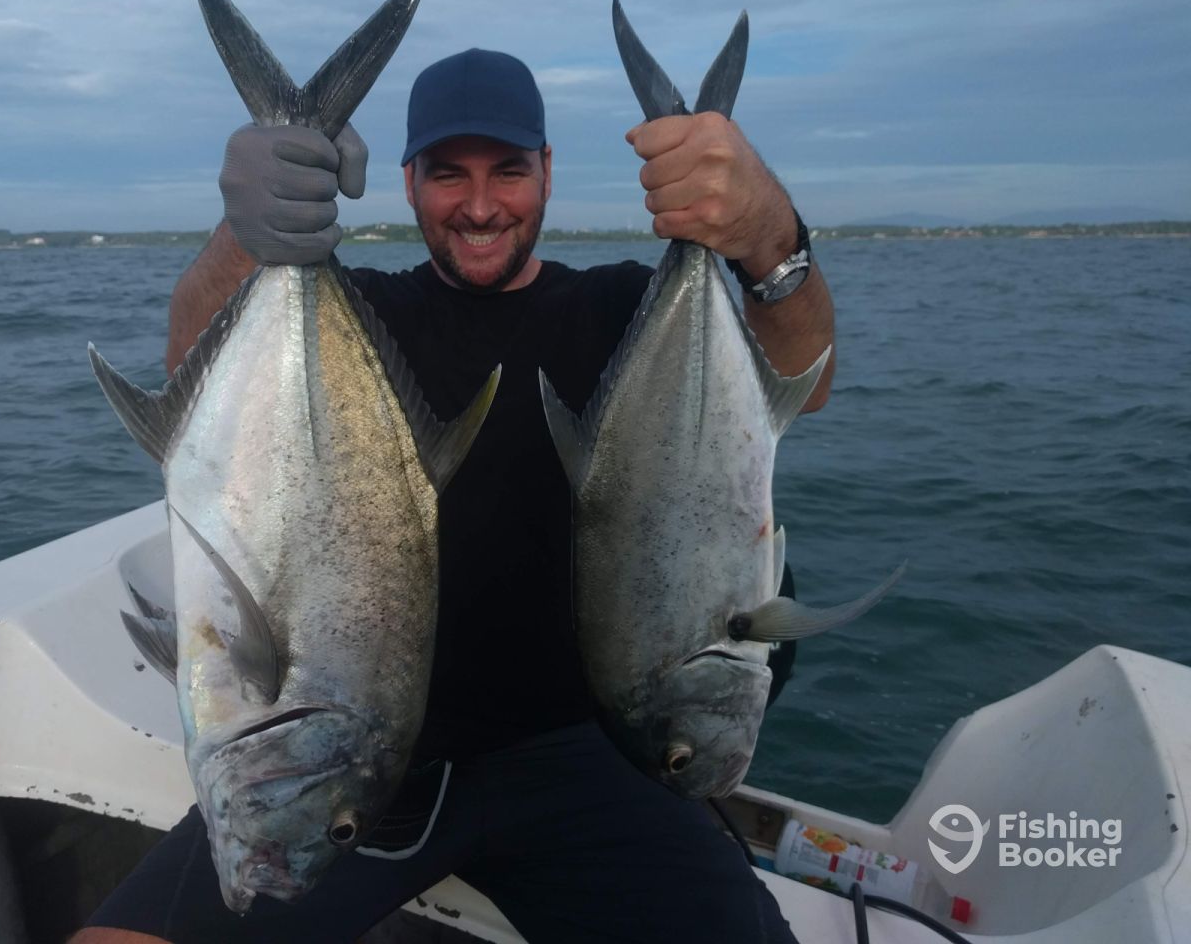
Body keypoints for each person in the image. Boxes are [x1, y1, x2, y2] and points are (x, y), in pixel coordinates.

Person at [75, 48, 834, 944]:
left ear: (546, 171)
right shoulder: (359, 314)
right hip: (358, 761)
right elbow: (191, 372)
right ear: (408, 182)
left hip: (587, 755)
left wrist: (770, 238)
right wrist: (244, 232)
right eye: (448, 174)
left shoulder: (627, 307)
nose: (479, 205)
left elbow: (807, 380)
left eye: (507, 170)